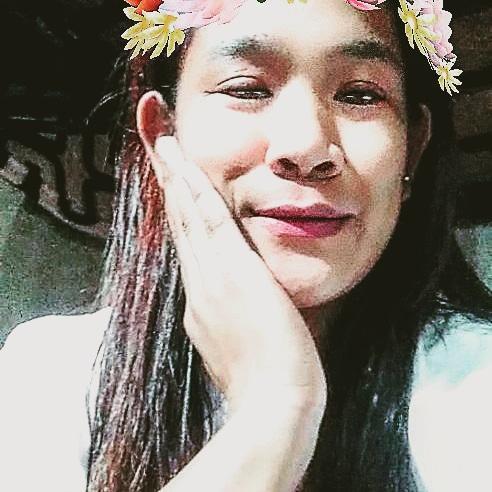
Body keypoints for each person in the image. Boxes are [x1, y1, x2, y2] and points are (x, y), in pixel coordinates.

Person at [1, 0, 491, 491]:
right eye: (247, 89)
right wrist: (275, 413)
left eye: (360, 95)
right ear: (162, 134)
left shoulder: (477, 380)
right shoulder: (53, 375)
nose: (306, 147)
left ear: (413, 148)